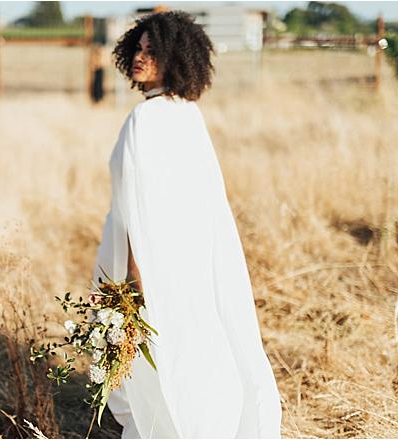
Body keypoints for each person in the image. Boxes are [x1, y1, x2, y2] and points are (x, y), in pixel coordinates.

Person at [90, 10, 283, 439]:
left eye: (152, 51)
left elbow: (145, 210)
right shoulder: (185, 114)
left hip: (147, 262)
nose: (141, 57)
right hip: (186, 259)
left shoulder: (148, 119)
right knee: (190, 344)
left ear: (175, 58)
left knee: (161, 351)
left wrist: (133, 281)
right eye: (137, 49)